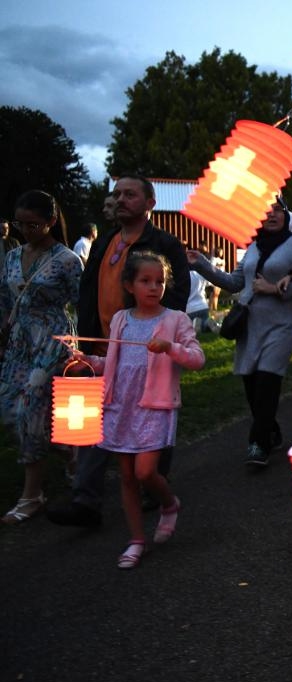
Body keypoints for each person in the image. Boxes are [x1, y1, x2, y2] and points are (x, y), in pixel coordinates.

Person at [47, 175, 190, 529]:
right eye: (117, 194)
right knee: (97, 419)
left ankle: (152, 483)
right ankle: (85, 500)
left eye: (130, 194)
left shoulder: (164, 244)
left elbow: (176, 296)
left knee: (152, 414)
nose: (121, 199)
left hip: (147, 350)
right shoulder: (106, 241)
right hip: (101, 345)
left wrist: (157, 339)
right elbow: (87, 290)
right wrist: (85, 341)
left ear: (149, 204)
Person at [73, 252, 204, 567]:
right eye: (146, 281)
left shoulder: (175, 320)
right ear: (130, 285)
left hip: (155, 406)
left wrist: (171, 348)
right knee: (128, 477)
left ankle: (169, 503)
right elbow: (116, 364)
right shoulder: (121, 319)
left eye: (159, 281)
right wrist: (89, 361)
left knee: (146, 472)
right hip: (121, 405)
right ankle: (136, 540)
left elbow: (197, 359)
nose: (154, 287)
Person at [188, 196, 292, 466]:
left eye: (278, 210)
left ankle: (258, 444)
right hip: (249, 324)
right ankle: (271, 430)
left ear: (286, 214)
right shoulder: (253, 248)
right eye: (265, 211)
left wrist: (278, 290)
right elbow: (234, 283)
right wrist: (201, 263)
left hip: (281, 325)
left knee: (267, 382)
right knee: (251, 385)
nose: (272, 215)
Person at [0, 191, 82, 524]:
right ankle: (70, 451)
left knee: (30, 406)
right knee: (7, 406)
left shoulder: (66, 259)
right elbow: (6, 300)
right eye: (21, 223)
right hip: (19, 339)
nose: (26, 230)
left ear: (50, 221)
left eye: (33, 224)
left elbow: (81, 301)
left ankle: (32, 494)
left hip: (53, 339)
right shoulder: (12, 256)